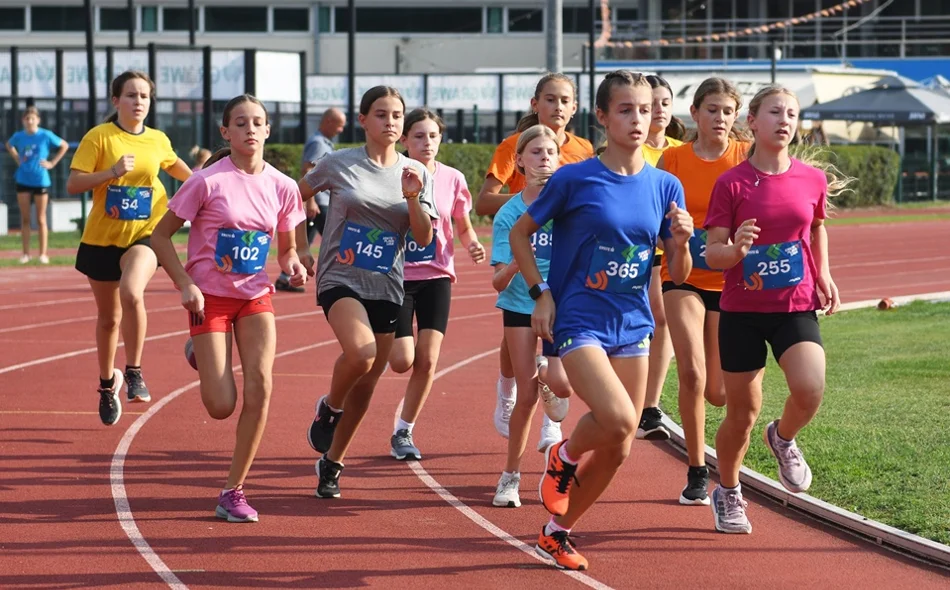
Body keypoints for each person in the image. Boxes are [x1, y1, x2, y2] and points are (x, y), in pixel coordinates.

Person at [509, 70, 692, 570]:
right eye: (627, 109)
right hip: (579, 319)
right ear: (604, 117)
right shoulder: (575, 177)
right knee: (617, 418)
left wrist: (679, 241)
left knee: (620, 444)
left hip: (632, 322)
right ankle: (563, 456)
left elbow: (679, 272)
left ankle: (556, 532)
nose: (640, 119)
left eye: (647, 109)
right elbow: (521, 236)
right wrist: (540, 294)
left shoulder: (665, 184)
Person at [151, 94, 307, 523]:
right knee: (220, 405)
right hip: (210, 299)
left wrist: (292, 266)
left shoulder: (283, 186)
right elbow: (160, 238)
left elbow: (288, 249)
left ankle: (233, 490)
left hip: (256, 297)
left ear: (268, 130)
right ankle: (199, 351)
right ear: (226, 132)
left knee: (261, 387)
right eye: (241, 123)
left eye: (258, 122)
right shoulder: (205, 181)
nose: (250, 129)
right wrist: (184, 284)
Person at [704, 85, 848, 534]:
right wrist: (736, 249)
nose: (784, 120)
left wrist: (822, 273)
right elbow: (712, 254)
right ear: (753, 121)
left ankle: (782, 437)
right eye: (774, 112)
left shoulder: (812, 179)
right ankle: (727, 491)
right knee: (740, 415)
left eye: (791, 113)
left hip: (794, 304)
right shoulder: (731, 183)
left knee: (810, 388)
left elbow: (817, 227)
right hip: (742, 310)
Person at [299, 86, 438, 499]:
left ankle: (333, 462)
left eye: (397, 115)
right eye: (381, 114)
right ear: (363, 120)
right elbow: (292, 197)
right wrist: (298, 248)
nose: (391, 122)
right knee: (361, 354)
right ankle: (329, 407)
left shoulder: (415, 171)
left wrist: (413, 196)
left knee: (369, 381)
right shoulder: (339, 163)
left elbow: (422, 236)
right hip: (340, 278)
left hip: (387, 285)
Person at [67, 70, 192, 425]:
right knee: (108, 320)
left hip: (146, 233)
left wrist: (211, 182)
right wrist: (110, 173)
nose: (139, 102)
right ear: (116, 101)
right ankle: (108, 386)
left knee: (132, 292)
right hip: (102, 239)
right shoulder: (100, 137)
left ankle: (134, 370)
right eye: (132, 95)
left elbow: (184, 172)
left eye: (144, 96)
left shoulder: (158, 140)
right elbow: (74, 182)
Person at [474, 72, 593, 444]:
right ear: (535, 104)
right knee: (515, 341)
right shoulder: (513, 145)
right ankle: (507, 387)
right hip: (520, 248)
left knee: (556, 351)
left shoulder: (584, 149)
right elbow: (483, 202)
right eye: (550, 99)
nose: (557, 107)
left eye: (564, 101)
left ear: (575, 108)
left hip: (558, 259)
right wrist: (528, 205)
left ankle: (551, 423)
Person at [655, 77, 750, 506]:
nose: (720, 118)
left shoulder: (744, 157)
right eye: (712, 109)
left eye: (728, 111)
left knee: (719, 391)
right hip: (682, 276)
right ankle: (697, 470)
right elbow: (652, 215)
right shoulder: (673, 160)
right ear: (694, 114)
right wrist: (672, 240)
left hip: (730, 280)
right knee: (691, 373)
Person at [388, 108, 486, 461]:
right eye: (418, 136)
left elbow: (461, 222)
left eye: (432, 136)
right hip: (396, 277)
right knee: (401, 360)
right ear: (404, 140)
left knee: (427, 361)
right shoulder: (391, 174)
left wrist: (472, 242)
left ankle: (403, 430)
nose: (426, 142)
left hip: (437, 276)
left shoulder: (453, 179)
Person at [490, 124, 572, 508]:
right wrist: (514, 264)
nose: (544, 159)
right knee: (526, 398)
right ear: (520, 161)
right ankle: (510, 477)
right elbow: (497, 283)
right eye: (536, 153)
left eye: (550, 153)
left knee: (562, 391)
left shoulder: (569, 203)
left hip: (560, 305)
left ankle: (546, 373)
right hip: (521, 305)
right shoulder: (510, 213)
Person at [636, 74, 686, 441]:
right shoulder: (632, 146)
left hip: (664, 247)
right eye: (652, 104)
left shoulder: (679, 150)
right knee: (644, 319)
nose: (659, 110)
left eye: (665, 103)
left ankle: (649, 405)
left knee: (662, 317)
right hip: (631, 247)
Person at [275, 107, 347, 292]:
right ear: (329, 122)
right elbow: (308, 171)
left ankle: (286, 276)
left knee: (306, 238)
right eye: (340, 126)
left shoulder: (324, 143)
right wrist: (312, 201)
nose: (341, 130)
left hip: (321, 201)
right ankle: (346, 278)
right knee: (339, 240)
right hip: (320, 202)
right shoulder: (317, 143)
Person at [5, 106, 68, 264]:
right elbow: (9, 145)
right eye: (27, 118)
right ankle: (26, 254)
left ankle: (43, 254)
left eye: (33, 118)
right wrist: (16, 158)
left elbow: (64, 145)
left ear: (38, 120)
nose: (30, 121)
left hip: (40, 180)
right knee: (25, 218)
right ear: (23, 121)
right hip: (23, 179)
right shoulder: (19, 136)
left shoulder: (45, 135)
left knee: (40, 218)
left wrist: (52, 162)